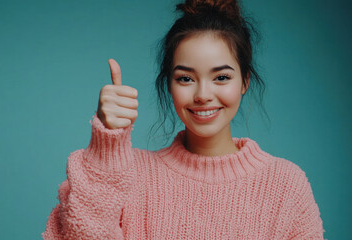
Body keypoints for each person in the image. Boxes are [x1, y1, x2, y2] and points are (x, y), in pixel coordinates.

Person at [42, 0, 325, 239]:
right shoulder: (131, 175)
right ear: (169, 84)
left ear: (245, 82)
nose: (203, 95)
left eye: (221, 77)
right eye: (186, 78)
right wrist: (107, 147)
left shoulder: (285, 183)